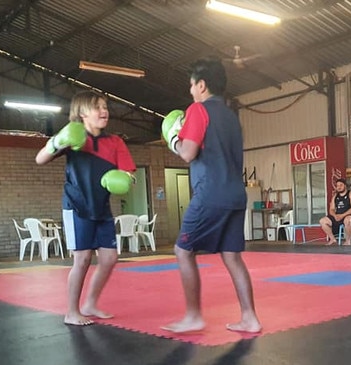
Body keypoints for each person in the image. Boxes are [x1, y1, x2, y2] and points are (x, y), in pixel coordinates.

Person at [160, 57, 261, 334]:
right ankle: (249, 317)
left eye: (192, 86)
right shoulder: (231, 116)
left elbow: (188, 152)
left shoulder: (197, 110)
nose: (191, 91)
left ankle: (193, 316)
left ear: (201, 85)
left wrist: (173, 139)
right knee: (232, 256)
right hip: (235, 195)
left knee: (183, 251)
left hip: (210, 193)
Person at [35, 90, 136, 326]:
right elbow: (39, 159)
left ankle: (90, 303)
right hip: (76, 206)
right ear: (82, 113)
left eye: (105, 106)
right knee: (82, 260)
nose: (104, 111)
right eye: (97, 107)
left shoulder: (115, 142)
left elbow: (130, 173)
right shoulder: (72, 137)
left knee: (110, 259)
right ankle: (72, 311)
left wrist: (125, 180)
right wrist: (58, 141)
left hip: (101, 207)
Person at [319, 178, 351, 245]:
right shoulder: (335, 196)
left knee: (348, 220)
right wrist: (335, 216)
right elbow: (331, 209)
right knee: (322, 221)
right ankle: (332, 239)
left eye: (341, 185)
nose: (339, 187)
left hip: (350, 215)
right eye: (337, 186)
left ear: (345, 186)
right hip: (338, 216)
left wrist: (342, 215)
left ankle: (348, 241)